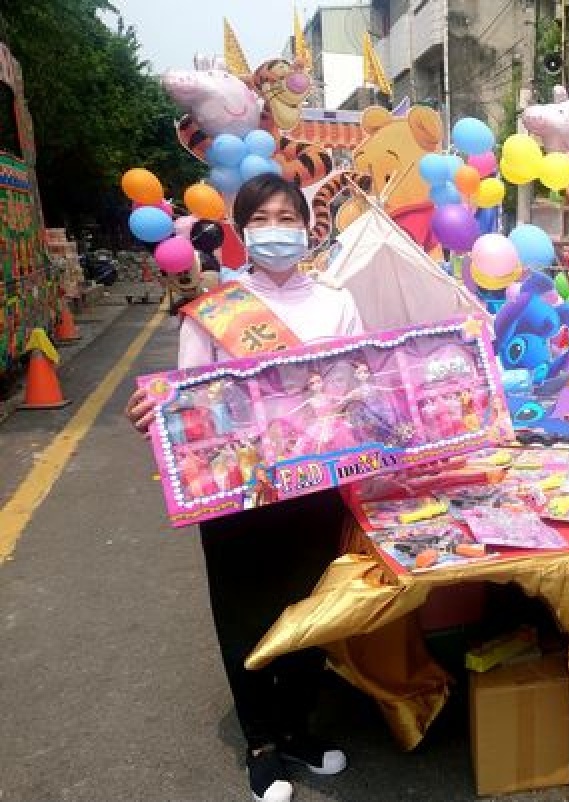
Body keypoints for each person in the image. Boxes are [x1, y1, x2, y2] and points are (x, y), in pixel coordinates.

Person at [127, 174, 363, 802]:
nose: (276, 230)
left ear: (307, 225)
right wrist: (158, 413)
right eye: (262, 219)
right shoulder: (215, 307)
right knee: (245, 613)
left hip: (314, 484)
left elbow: (359, 382)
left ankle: (298, 729)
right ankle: (262, 743)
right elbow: (190, 400)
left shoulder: (336, 301)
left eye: (287, 216)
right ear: (240, 229)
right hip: (238, 489)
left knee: (309, 609)